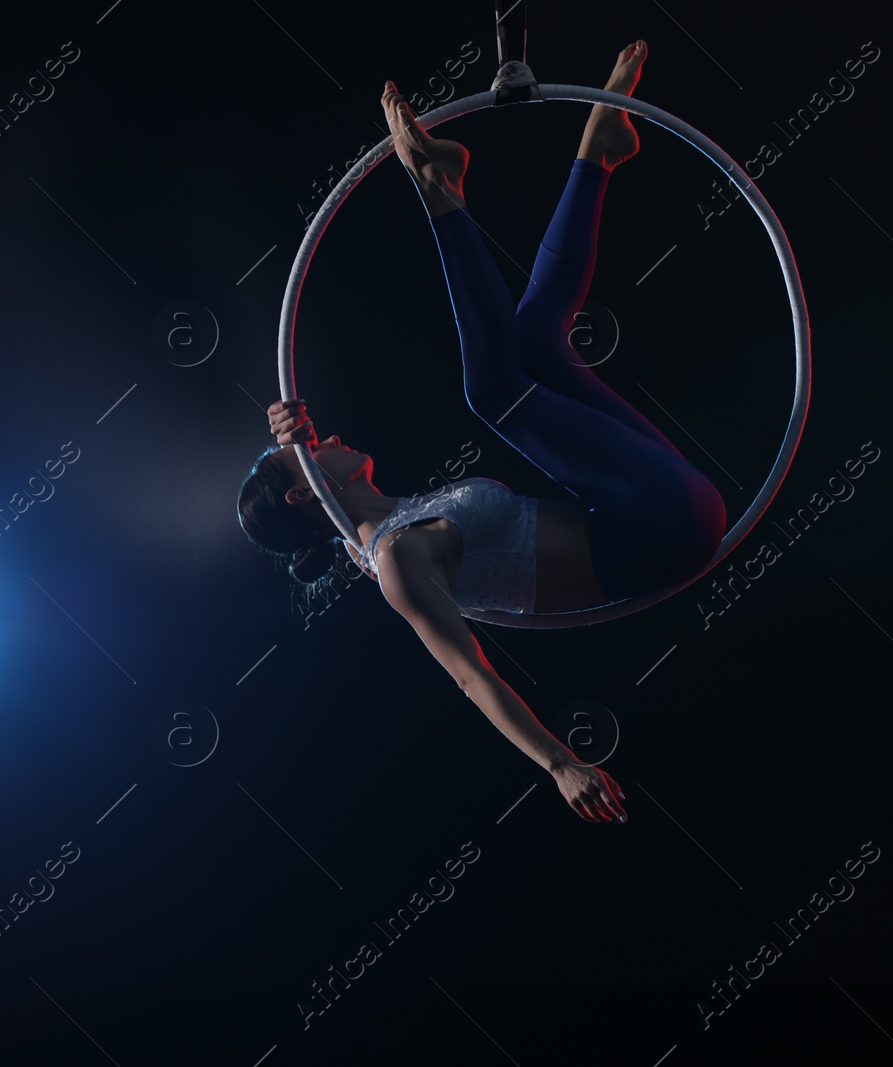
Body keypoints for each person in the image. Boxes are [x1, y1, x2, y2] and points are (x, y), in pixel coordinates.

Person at [238, 41, 726, 824]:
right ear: (303, 486)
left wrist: (286, 425)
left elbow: (305, 443)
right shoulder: (396, 560)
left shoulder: (401, 520)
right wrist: (561, 763)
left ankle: (597, 152)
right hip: (661, 530)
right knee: (492, 389)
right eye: (306, 452)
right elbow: (471, 677)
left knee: (534, 343)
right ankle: (437, 187)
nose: (324, 436)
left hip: (647, 503)